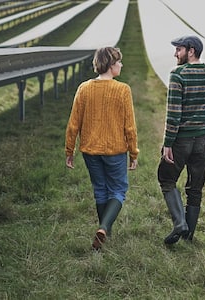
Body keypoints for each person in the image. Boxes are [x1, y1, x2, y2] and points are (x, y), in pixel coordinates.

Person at [65, 47, 139, 250]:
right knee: (118, 189)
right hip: (115, 150)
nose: (121, 65)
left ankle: (105, 232)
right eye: (119, 62)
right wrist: (133, 152)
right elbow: (129, 126)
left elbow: (73, 123)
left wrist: (69, 150)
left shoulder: (84, 88)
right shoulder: (123, 89)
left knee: (100, 190)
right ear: (111, 65)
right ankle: (105, 227)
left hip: (90, 150)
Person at [157, 35, 205, 245]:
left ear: (191, 51)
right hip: (203, 139)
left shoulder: (178, 74)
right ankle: (189, 236)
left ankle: (179, 224)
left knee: (166, 179)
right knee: (195, 187)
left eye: (179, 50)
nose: (175, 54)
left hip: (182, 139)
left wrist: (167, 143)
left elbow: (173, 114)